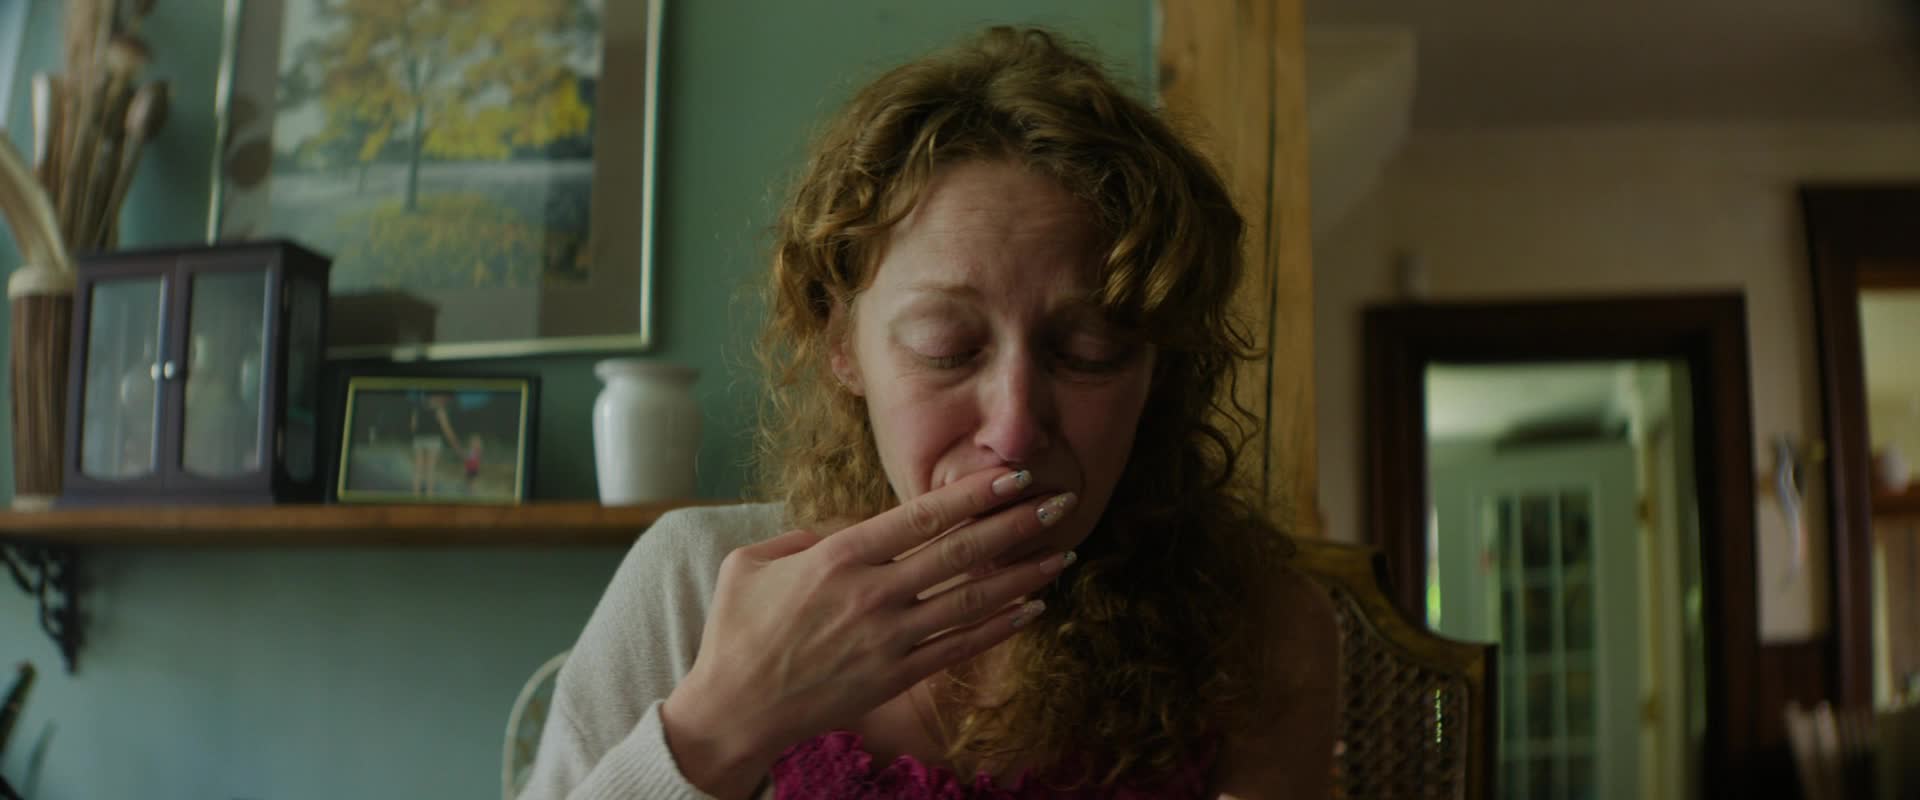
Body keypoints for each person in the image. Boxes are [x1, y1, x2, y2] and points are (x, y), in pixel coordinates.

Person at [520, 26, 1338, 799]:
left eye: (1089, 353)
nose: (1013, 429)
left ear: (1158, 372)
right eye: (946, 348)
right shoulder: (691, 587)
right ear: (842, 343)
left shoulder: (1258, 632)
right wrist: (715, 729)